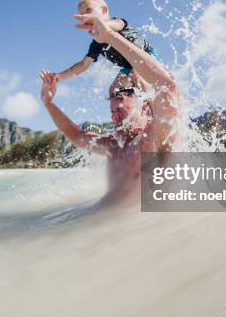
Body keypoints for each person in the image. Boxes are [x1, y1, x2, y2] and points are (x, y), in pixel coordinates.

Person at [40, 11, 178, 204]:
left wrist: (110, 36)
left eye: (121, 110)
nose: (115, 113)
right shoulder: (114, 146)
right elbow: (77, 135)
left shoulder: (155, 138)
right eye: (113, 111)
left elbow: (168, 88)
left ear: (144, 107)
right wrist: (49, 104)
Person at [53, 0, 162, 92]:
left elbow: (118, 25)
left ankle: (152, 103)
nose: (85, 16)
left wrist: (100, 23)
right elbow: (84, 64)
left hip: (148, 56)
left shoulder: (116, 22)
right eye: (82, 15)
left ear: (104, 10)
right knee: (114, 91)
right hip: (129, 67)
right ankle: (132, 100)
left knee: (136, 73)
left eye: (88, 10)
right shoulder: (98, 42)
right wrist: (60, 76)